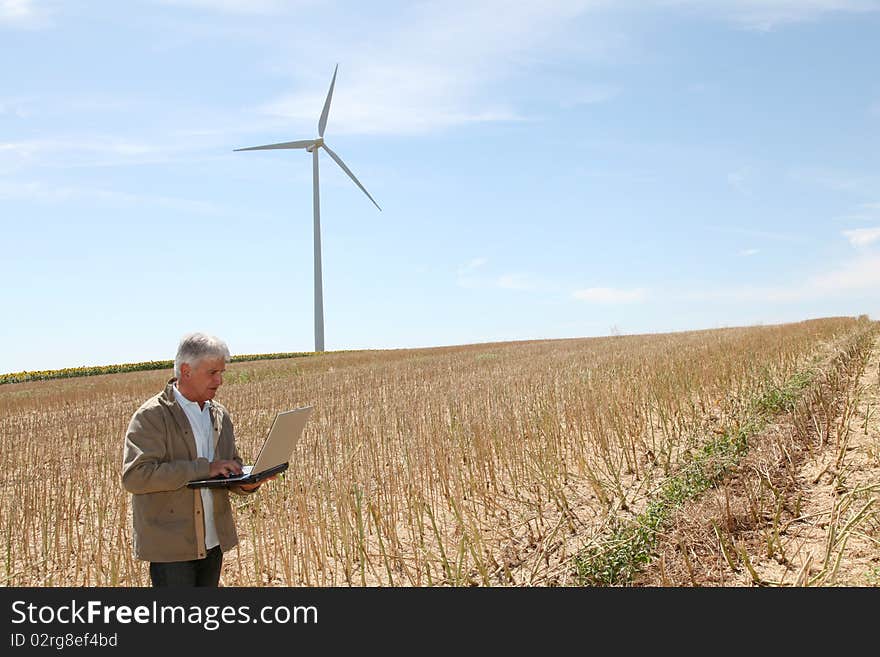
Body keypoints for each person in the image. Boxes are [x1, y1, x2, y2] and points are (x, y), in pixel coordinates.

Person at [122, 331, 273, 587]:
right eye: (213, 372)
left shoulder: (220, 415)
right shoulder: (151, 416)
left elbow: (226, 468)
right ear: (186, 370)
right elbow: (136, 477)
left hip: (213, 541)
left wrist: (248, 483)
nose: (220, 380)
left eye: (222, 372)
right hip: (172, 548)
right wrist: (204, 468)